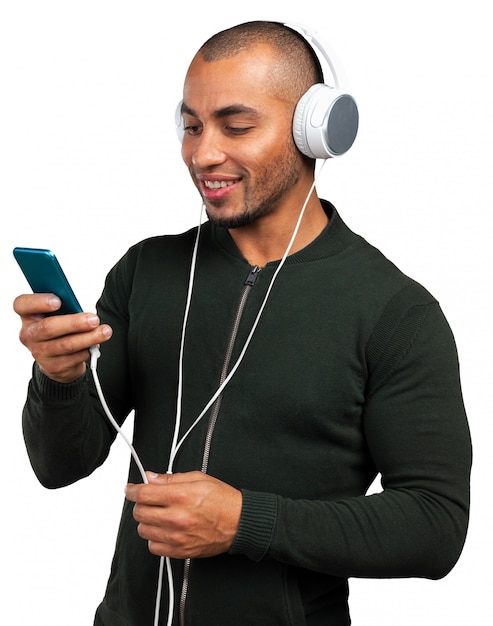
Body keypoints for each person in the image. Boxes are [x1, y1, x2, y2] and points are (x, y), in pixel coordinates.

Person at [14, 20, 471, 626]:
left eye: (236, 126)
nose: (203, 154)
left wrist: (245, 522)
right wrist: (60, 376)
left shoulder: (395, 313)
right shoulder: (145, 271)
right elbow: (58, 466)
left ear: (316, 129)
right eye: (192, 126)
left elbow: (435, 527)